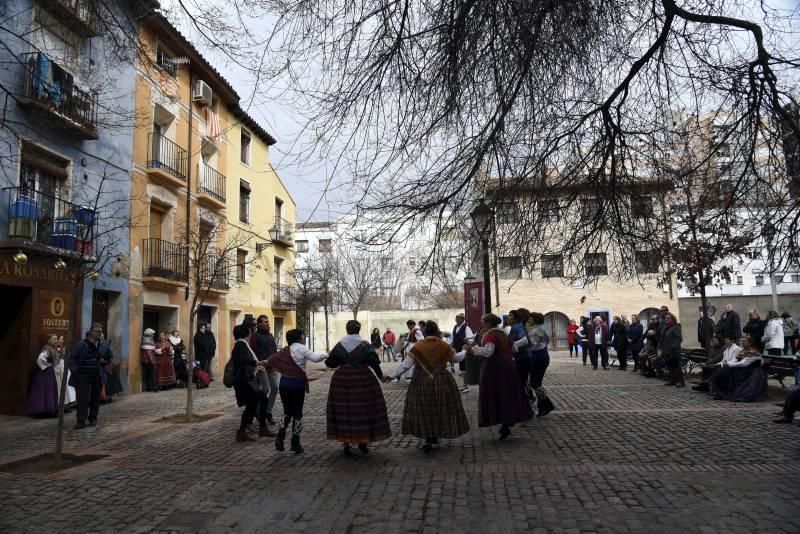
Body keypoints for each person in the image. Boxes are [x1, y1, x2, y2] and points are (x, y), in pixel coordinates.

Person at [384, 321, 469, 452]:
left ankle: (429, 437)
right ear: (437, 331)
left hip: (421, 381)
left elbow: (406, 365)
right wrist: (464, 350)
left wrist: (392, 376)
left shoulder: (418, 346)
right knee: (440, 409)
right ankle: (435, 433)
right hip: (442, 381)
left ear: (425, 332)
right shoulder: (443, 344)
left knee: (425, 410)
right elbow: (456, 358)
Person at [326, 320, 391, 456]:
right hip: (363, 379)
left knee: (344, 409)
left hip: (342, 380)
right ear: (359, 330)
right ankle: (363, 442)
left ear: (346, 329)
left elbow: (330, 363)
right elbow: (374, 363)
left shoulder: (339, 345)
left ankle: (346, 443)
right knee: (363, 409)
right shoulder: (365, 345)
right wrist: (380, 377)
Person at [467, 313, 533, 440]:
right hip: (509, 366)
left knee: (496, 394)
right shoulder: (503, 333)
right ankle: (507, 422)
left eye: (483, 322)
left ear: (488, 323)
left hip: (495, 368)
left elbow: (488, 352)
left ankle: (504, 422)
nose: (481, 324)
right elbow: (515, 349)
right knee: (508, 394)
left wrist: (474, 349)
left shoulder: (490, 335)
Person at [266, 329, 327, 454]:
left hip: (284, 384)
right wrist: (328, 354)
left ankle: (280, 437)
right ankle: (295, 442)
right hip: (297, 384)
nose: (304, 336)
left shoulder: (284, 351)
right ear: (299, 337)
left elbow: (270, 361)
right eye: (302, 335)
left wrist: (259, 363)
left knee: (287, 412)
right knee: (297, 413)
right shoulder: (302, 348)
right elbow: (315, 358)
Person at [69, 323, 112, 429]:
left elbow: (110, 357)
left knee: (95, 398)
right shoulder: (81, 344)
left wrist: (104, 361)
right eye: (98, 331)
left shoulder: (103, 344)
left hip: (97, 375)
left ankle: (93, 418)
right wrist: (76, 372)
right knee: (82, 398)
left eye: (101, 331)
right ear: (92, 332)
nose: (100, 333)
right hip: (83, 376)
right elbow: (72, 359)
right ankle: (81, 420)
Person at [517, 311, 555, 416]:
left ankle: (546, 405)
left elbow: (531, 343)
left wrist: (516, 345)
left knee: (535, 383)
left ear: (535, 320)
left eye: (530, 319)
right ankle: (544, 405)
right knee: (535, 383)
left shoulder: (537, 331)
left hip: (539, 357)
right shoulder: (537, 329)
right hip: (539, 356)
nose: (528, 320)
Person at [230, 324, 264, 442]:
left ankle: (245, 428)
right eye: (250, 331)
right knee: (256, 401)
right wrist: (257, 363)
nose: (251, 333)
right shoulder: (241, 345)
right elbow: (244, 361)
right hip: (245, 380)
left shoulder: (242, 344)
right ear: (247, 333)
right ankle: (245, 429)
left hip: (246, 379)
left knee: (253, 403)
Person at [709, 336, 766, 402]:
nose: (742, 343)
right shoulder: (743, 351)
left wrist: (729, 364)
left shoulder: (753, 352)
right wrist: (724, 364)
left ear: (749, 343)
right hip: (743, 370)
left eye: (744, 341)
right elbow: (736, 360)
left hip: (752, 373)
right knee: (722, 372)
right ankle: (721, 392)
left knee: (727, 372)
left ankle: (725, 392)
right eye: (742, 341)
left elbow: (744, 363)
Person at [251, 315, 279, 428]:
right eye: (265, 322)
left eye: (268, 322)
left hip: (272, 366)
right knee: (266, 388)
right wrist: (258, 365)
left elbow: (274, 350)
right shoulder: (255, 337)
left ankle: (268, 411)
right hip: (262, 366)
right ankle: (258, 411)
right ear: (259, 324)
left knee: (275, 387)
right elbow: (253, 352)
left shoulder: (270, 336)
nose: (267, 323)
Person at [27, 335, 61, 416]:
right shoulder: (47, 348)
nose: (56, 340)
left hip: (50, 372)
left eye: (56, 339)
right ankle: (42, 410)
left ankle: (49, 410)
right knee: (44, 390)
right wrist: (48, 364)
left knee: (50, 391)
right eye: (54, 339)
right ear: (49, 340)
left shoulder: (53, 348)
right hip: (46, 373)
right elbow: (40, 359)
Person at [508, 309, 533, 400]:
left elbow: (525, 340)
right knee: (522, 380)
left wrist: (510, 345)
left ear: (515, 318)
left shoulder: (516, 327)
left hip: (523, 358)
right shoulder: (517, 326)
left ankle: (524, 402)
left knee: (520, 381)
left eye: (510, 315)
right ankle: (528, 398)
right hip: (523, 357)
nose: (508, 317)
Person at [450, 312, 474, 392]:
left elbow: (470, 339)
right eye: (455, 318)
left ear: (462, 319)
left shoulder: (466, 327)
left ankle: (466, 386)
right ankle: (464, 385)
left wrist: (467, 346)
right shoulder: (455, 327)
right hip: (457, 349)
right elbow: (453, 338)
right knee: (461, 368)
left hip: (464, 349)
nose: (455, 320)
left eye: (457, 318)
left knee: (464, 367)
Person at [661, 312, 684, 387]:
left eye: (668, 318)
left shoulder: (676, 327)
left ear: (672, 319)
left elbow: (678, 338)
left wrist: (673, 347)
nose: (666, 320)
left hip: (674, 351)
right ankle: (672, 380)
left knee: (676, 366)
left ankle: (680, 381)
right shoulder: (666, 327)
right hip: (666, 350)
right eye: (665, 318)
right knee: (670, 366)